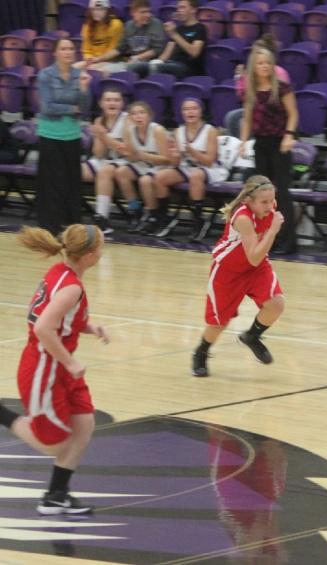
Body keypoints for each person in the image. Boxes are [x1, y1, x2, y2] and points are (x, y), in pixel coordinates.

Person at [0, 224, 108, 515]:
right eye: (101, 244)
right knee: (54, 445)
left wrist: (89, 327)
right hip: (44, 369)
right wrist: (71, 361)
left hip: (58, 365)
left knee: (84, 426)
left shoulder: (61, 274)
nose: (104, 248)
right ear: (88, 255)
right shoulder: (71, 287)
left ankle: (56, 495)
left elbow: (58, 318)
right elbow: (44, 327)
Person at [191, 175, 286, 378]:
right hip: (228, 270)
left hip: (256, 268)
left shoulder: (268, 206)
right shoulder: (243, 218)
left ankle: (251, 336)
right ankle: (201, 352)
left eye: (272, 201)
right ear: (248, 201)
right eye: (264, 202)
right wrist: (273, 231)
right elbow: (253, 256)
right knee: (219, 322)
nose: (270, 206)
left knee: (276, 304)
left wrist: (270, 229)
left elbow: (255, 260)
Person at [239, 46, 299, 254]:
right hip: (260, 144)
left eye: (267, 63)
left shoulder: (282, 88)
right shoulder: (251, 89)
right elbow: (247, 119)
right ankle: (267, 238)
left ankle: (288, 241)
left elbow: (293, 113)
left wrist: (289, 134)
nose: (264, 66)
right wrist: (243, 142)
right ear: (254, 67)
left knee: (280, 192)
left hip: (279, 143)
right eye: (260, 63)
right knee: (261, 194)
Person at [36, 37, 92, 236]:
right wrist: (73, 108)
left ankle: (72, 227)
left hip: (72, 135)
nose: (68, 52)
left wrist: (84, 90)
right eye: (63, 48)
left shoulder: (80, 76)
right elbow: (47, 107)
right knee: (52, 183)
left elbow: (85, 109)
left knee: (71, 183)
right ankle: (50, 227)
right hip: (50, 134)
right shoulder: (45, 75)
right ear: (55, 53)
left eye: (71, 48)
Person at [154, 98, 227, 240]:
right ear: (182, 113)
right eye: (186, 109)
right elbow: (175, 164)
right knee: (159, 177)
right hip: (188, 167)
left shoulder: (210, 130)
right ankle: (165, 218)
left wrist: (192, 151)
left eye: (194, 108)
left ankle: (198, 220)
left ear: (201, 112)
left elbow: (209, 160)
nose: (190, 112)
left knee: (196, 176)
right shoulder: (178, 131)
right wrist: (174, 155)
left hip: (211, 169)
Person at [84, 88, 138, 234]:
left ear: (122, 103)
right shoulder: (99, 120)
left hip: (127, 161)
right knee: (74, 171)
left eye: (116, 100)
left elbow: (126, 150)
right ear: (101, 103)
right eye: (108, 100)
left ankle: (102, 219)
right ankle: (70, 212)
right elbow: (98, 153)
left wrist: (104, 136)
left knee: (104, 171)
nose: (112, 103)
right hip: (106, 159)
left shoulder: (128, 119)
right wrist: (101, 137)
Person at [114, 101, 172, 234]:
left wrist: (143, 155)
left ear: (149, 116)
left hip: (160, 167)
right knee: (121, 172)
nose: (138, 116)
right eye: (134, 114)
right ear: (130, 117)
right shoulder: (129, 131)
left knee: (145, 180)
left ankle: (152, 216)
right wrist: (126, 153)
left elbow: (166, 159)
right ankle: (135, 211)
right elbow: (132, 158)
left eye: (141, 113)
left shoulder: (157, 130)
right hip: (142, 164)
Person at [224, 34, 291, 138]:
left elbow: (280, 101)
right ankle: (238, 146)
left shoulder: (280, 72)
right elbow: (242, 97)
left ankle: (253, 146)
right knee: (231, 116)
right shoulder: (252, 73)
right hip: (254, 107)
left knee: (247, 122)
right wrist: (239, 78)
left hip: (272, 111)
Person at [131, 0, 206, 79]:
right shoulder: (178, 29)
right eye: (178, 8)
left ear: (193, 10)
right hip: (172, 63)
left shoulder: (200, 28)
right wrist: (157, 61)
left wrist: (174, 34)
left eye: (182, 7)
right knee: (137, 66)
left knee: (155, 68)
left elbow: (194, 52)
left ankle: (153, 90)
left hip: (188, 68)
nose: (179, 11)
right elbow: (167, 53)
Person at [88, 0, 166, 76]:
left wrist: (137, 57)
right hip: (131, 62)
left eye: (149, 11)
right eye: (143, 12)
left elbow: (157, 50)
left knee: (106, 71)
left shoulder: (156, 23)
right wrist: (98, 59)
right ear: (133, 13)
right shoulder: (129, 26)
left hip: (149, 63)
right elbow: (119, 49)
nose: (148, 15)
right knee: (94, 69)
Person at [73, 0, 124, 71]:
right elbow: (86, 49)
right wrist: (89, 59)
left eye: (101, 9)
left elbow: (113, 50)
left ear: (107, 10)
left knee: (92, 70)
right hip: (93, 60)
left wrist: (98, 60)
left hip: (110, 61)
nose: (96, 12)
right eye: (94, 9)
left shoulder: (116, 24)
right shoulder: (87, 26)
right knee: (73, 68)